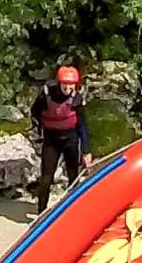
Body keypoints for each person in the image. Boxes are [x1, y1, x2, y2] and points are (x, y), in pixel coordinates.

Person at [30, 64, 95, 207]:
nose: (67, 88)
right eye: (65, 84)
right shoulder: (46, 94)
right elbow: (35, 112)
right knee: (46, 178)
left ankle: (74, 207)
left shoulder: (77, 99)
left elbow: (82, 126)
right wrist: (38, 132)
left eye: (71, 85)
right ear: (59, 83)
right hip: (51, 139)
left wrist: (86, 151)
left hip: (70, 139)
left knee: (73, 177)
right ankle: (41, 212)